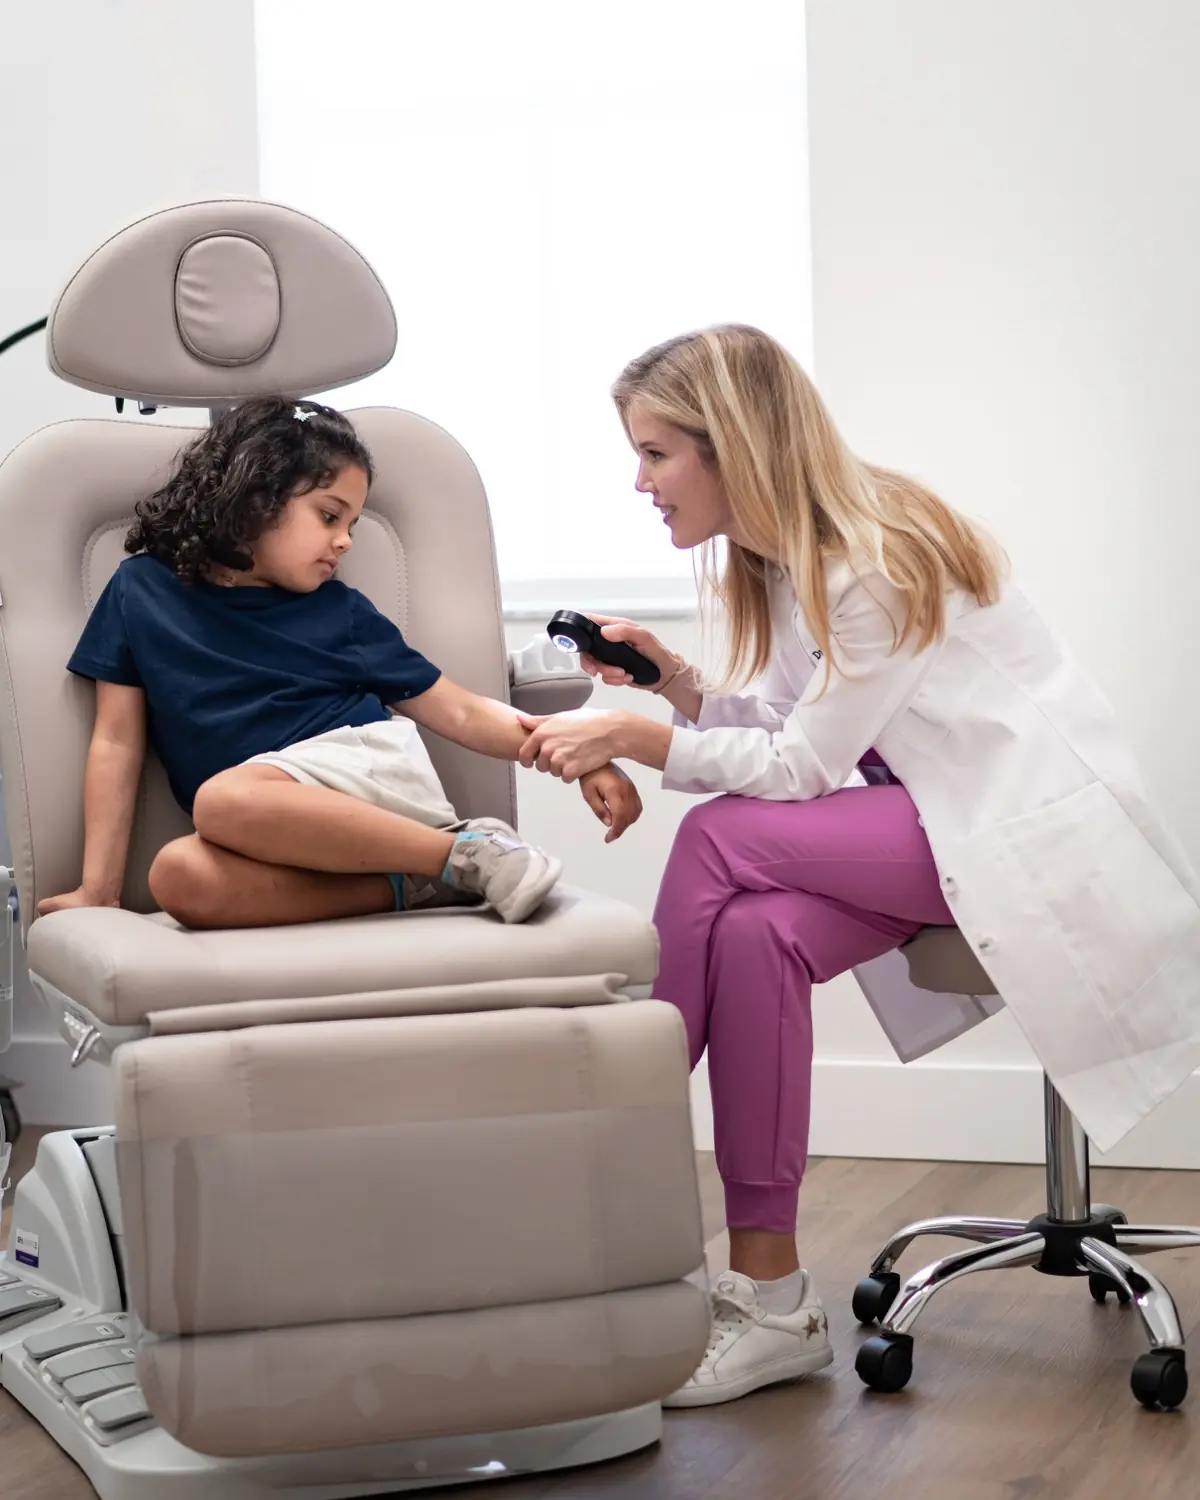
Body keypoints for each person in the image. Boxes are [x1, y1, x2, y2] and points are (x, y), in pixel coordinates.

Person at [515, 324, 1200, 1408]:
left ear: (729, 444)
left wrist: (639, 740)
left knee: (713, 835)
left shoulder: (870, 559)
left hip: (1004, 835)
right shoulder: (788, 555)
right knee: (751, 932)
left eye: (655, 453)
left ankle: (624, 1114)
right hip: (916, 821)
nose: (638, 480)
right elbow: (807, 729)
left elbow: (796, 767)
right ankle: (773, 1299)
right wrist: (673, 685)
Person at [39, 397, 640, 930]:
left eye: (352, 522)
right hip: (267, 827)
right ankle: (421, 882)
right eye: (330, 516)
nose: (346, 540)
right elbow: (116, 743)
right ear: (254, 499)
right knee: (178, 875)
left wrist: (580, 756)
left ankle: (467, 851)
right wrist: (100, 890)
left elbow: (458, 709)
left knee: (220, 801)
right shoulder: (138, 591)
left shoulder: (340, 613)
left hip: (363, 780)